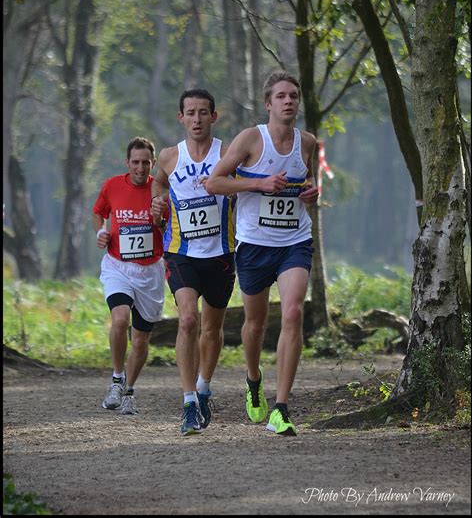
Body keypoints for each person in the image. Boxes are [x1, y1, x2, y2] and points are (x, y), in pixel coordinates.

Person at [206, 72, 319, 436]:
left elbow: (309, 184)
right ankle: (254, 381)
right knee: (255, 325)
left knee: (293, 312)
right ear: (268, 104)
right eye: (281, 96)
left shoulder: (309, 142)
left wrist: (311, 194)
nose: (289, 101)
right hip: (255, 244)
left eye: (294, 96)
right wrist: (258, 183)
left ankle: (282, 408)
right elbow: (214, 182)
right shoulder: (251, 139)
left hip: (294, 242)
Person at [150, 89, 236, 436]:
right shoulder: (170, 157)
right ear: (180, 117)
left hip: (221, 254)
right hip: (181, 252)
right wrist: (158, 203)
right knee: (187, 320)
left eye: (203, 112)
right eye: (190, 113)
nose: (197, 119)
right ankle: (187, 403)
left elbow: (245, 182)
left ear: (214, 116)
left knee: (212, 330)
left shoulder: (228, 153)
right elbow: (158, 184)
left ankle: (203, 389)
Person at [93, 136, 168, 415]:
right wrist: (101, 232)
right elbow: (98, 212)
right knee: (120, 318)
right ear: (127, 163)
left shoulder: (160, 189)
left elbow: (166, 229)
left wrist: (160, 217)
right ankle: (116, 378)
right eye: (135, 162)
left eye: (145, 163)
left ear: (153, 163)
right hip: (118, 266)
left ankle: (129, 391)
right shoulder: (112, 185)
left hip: (150, 271)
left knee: (140, 340)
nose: (140, 168)